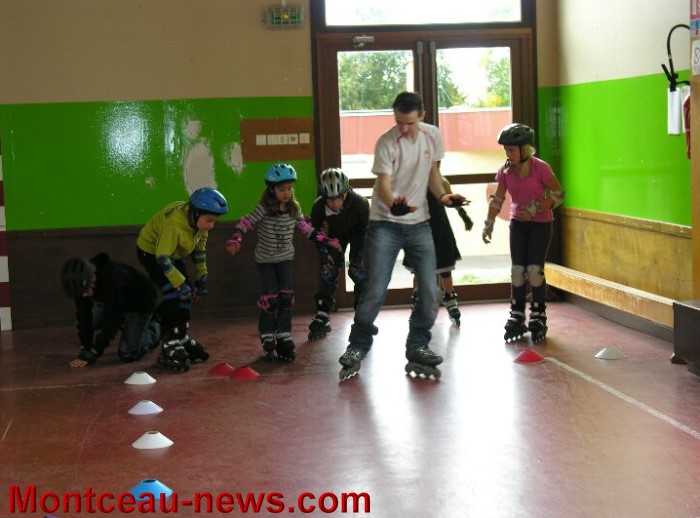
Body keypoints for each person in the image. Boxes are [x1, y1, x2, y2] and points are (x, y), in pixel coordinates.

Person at [337, 91, 466, 381]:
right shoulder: (387, 142)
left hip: (419, 225)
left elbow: (432, 174)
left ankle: (418, 344)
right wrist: (393, 202)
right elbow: (383, 182)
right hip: (385, 224)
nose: (404, 129)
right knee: (375, 289)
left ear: (422, 116)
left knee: (431, 292)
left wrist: (443, 196)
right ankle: (357, 346)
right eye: (399, 122)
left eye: (410, 123)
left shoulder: (432, 136)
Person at [225, 163, 341, 361]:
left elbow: (308, 230)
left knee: (286, 297)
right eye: (281, 189)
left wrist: (328, 241)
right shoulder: (263, 209)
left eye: (289, 188)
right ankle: (267, 333)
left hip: (285, 259)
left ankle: (284, 334)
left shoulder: (294, 209)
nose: (286, 193)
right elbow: (246, 223)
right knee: (271, 298)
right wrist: (236, 239)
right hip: (266, 261)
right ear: (272, 190)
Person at [482, 123, 564, 343]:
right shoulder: (505, 171)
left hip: (541, 225)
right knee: (518, 270)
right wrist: (489, 223)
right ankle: (517, 313)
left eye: (511, 150)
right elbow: (498, 198)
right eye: (506, 150)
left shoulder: (541, 168)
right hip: (518, 224)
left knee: (534, 270)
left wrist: (536, 208)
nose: (508, 154)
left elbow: (559, 194)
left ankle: (538, 313)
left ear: (524, 149)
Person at [137, 187, 229, 371]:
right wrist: (179, 284)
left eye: (214, 221)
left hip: (171, 254)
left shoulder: (199, 225)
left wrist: (202, 275)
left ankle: (181, 336)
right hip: (152, 254)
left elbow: (199, 250)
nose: (211, 226)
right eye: (209, 220)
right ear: (196, 214)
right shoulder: (174, 225)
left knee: (186, 295)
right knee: (175, 295)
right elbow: (162, 258)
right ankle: (169, 342)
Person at [60, 253, 161, 368]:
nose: (84, 295)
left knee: (128, 353)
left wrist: (95, 352)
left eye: (86, 290)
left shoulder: (114, 280)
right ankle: (126, 322)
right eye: (81, 293)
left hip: (140, 303)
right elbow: (84, 316)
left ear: (93, 278)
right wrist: (85, 347)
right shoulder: (82, 286)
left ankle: (155, 329)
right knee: (93, 320)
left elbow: (112, 319)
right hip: (113, 301)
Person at [307, 167, 370, 341]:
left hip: (359, 235)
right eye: (330, 200)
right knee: (328, 270)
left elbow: (366, 235)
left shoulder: (361, 203)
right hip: (335, 236)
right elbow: (316, 233)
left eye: (338, 198)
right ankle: (323, 313)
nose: (334, 203)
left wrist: (359, 260)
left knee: (359, 273)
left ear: (346, 193)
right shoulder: (318, 206)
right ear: (324, 197)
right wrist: (323, 255)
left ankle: (362, 316)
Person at [404, 175, 470, 327]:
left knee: (445, 268)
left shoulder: (441, 181)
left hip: (440, 227)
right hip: (419, 227)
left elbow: (449, 198)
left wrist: (463, 215)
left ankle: (450, 298)